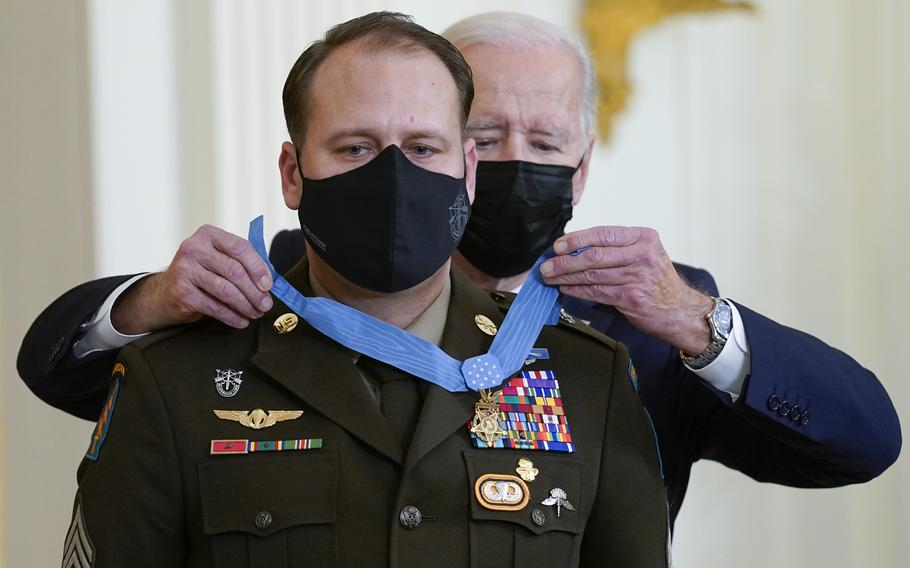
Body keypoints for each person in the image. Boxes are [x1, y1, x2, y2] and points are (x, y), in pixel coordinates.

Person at [19, 10, 900, 530]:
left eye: (546, 140)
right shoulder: (284, 280)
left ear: (583, 167)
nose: (513, 161)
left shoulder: (647, 316)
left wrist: (702, 326)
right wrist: (146, 303)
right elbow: (57, 367)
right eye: (483, 135)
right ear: (444, 148)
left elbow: (862, 444)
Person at [59, 12, 670, 567]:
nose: (394, 177)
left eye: (423, 148)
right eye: (356, 147)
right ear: (293, 174)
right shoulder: (174, 379)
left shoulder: (587, 377)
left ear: (469, 171)